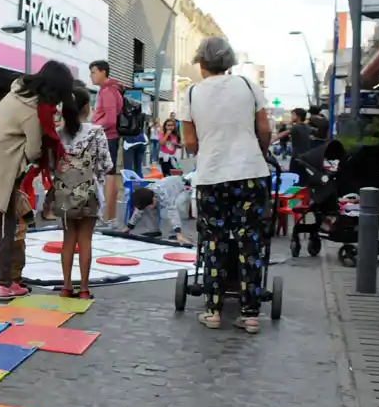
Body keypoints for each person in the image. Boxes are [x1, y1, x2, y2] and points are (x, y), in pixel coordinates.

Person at [0, 61, 73, 301]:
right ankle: (5, 284)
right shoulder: (33, 111)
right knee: (4, 226)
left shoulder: (16, 91)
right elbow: (32, 151)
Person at [181, 37, 271, 334]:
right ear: (229, 62)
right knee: (251, 242)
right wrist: (259, 150)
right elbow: (264, 129)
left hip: (211, 176)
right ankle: (250, 314)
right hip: (250, 172)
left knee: (214, 241)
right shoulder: (248, 86)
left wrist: (208, 147)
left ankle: (213, 310)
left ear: (202, 63)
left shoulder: (192, 93)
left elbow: (190, 142)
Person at [53, 86, 112, 300]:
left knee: (68, 238)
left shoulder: (58, 134)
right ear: (86, 108)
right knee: (85, 239)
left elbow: (52, 164)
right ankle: (84, 288)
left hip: (64, 193)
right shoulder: (96, 132)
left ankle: (66, 286)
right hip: (89, 192)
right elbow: (106, 164)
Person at [89, 60, 123, 228]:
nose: (91, 76)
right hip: (109, 137)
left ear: (103, 72)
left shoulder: (108, 91)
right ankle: (109, 217)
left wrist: (92, 128)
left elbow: (110, 119)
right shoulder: (109, 89)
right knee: (108, 176)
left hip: (107, 137)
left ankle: (109, 217)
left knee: (108, 177)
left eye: (94, 72)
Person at [121, 175, 190, 243]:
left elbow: (173, 213)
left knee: (174, 207)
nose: (148, 208)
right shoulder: (146, 192)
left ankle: (174, 235)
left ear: (154, 199)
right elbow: (138, 211)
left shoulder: (164, 195)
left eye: (149, 205)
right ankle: (153, 231)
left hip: (184, 189)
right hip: (168, 186)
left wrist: (179, 234)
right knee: (146, 209)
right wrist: (129, 227)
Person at [271, 108, 312, 180]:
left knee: (293, 177)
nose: (291, 117)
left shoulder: (295, 127)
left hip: (296, 156)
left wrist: (271, 140)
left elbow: (284, 133)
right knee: (303, 178)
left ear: (298, 116)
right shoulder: (308, 127)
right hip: (307, 157)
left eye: (293, 115)